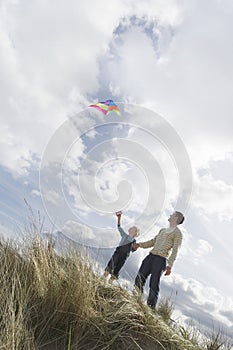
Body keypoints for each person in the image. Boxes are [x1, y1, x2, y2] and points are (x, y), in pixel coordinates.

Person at [133, 211, 184, 309]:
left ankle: (150, 308)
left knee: (153, 284)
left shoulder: (178, 233)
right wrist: (140, 245)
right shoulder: (162, 230)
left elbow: (175, 250)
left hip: (160, 260)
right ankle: (135, 301)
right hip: (150, 257)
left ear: (176, 218)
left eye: (172, 215)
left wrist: (170, 266)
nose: (170, 215)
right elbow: (152, 242)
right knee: (139, 279)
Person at [103, 211, 140, 284]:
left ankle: (109, 283)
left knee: (116, 271)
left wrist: (136, 248)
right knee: (110, 266)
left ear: (136, 233)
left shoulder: (134, 241)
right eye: (131, 228)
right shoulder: (124, 235)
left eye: (133, 229)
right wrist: (119, 218)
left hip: (124, 257)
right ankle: (102, 279)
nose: (131, 229)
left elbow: (132, 250)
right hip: (117, 253)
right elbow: (119, 227)